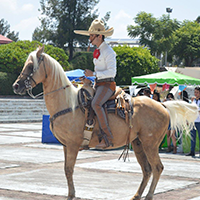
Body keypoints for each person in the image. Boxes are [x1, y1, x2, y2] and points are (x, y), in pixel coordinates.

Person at [74, 19, 116, 149]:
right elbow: (98, 73)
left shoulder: (109, 52)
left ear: (99, 36)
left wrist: (93, 75)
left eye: (91, 35)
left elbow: (112, 72)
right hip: (99, 84)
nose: (90, 38)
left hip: (108, 85)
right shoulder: (98, 51)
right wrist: (88, 79)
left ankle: (108, 138)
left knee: (96, 104)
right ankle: (87, 139)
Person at [186, 86, 200, 157]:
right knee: (192, 137)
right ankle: (192, 151)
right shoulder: (193, 100)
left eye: (197, 92)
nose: (196, 94)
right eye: (195, 92)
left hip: (199, 121)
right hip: (193, 120)